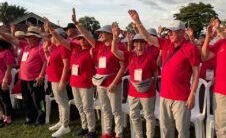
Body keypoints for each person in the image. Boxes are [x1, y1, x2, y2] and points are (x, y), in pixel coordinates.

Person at [128, 10, 200, 138]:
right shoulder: (166, 44)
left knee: (182, 130)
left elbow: (196, 73)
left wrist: (192, 94)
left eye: (174, 31)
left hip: (181, 97)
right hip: (165, 96)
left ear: (183, 32)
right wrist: (138, 21)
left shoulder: (190, 48)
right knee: (165, 129)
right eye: (170, 31)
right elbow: (148, 38)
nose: (171, 34)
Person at [72, 8, 126, 138]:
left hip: (113, 84)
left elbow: (122, 67)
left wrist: (113, 83)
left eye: (102, 33)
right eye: (100, 33)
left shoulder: (119, 46)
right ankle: (107, 132)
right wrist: (77, 24)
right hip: (101, 83)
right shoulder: (99, 46)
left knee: (116, 110)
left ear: (109, 34)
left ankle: (118, 134)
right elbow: (87, 36)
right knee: (105, 109)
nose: (100, 34)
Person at [45, 18, 97, 138]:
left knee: (87, 107)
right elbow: (62, 40)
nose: (82, 41)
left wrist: (78, 25)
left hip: (85, 83)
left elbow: (89, 40)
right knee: (79, 106)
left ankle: (92, 129)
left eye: (85, 39)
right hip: (75, 82)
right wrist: (51, 30)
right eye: (80, 39)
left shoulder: (92, 50)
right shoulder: (75, 48)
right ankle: (84, 127)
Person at [111, 25, 158, 138]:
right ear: (134, 43)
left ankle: (149, 136)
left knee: (148, 116)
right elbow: (114, 51)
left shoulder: (149, 56)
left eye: (141, 42)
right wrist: (115, 37)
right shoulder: (130, 55)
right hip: (133, 92)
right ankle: (139, 135)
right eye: (137, 42)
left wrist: (150, 85)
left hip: (147, 91)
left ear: (145, 43)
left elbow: (155, 73)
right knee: (134, 115)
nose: (139, 45)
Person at [43, 26, 71, 137]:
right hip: (53, 78)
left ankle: (65, 125)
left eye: (52, 36)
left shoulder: (63, 48)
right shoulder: (56, 48)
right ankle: (61, 121)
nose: (50, 39)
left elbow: (66, 65)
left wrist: (63, 81)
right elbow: (50, 61)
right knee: (59, 102)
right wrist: (46, 51)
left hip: (59, 79)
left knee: (63, 102)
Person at [19, 26, 47, 125]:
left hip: (35, 79)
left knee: (38, 100)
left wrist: (41, 75)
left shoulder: (40, 48)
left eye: (30, 37)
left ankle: (41, 118)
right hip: (24, 78)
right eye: (27, 37)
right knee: (27, 99)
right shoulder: (26, 47)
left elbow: (46, 62)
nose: (28, 39)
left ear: (36, 38)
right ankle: (30, 117)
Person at [0, 39, 14, 127]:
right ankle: (4, 116)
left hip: (3, 79)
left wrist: (5, 79)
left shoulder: (6, 52)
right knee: (1, 99)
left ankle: (8, 118)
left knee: (5, 99)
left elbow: (9, 67)